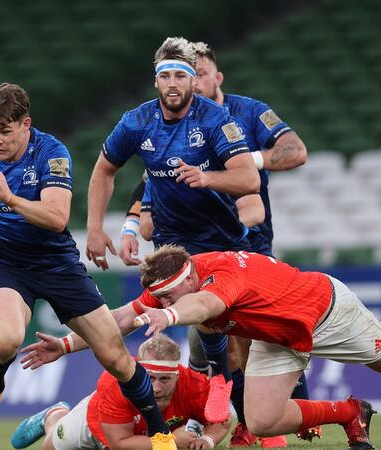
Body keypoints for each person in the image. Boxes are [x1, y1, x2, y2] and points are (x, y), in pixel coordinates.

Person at [0, 82, 178, 450]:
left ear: (26, 124)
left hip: (58, 265)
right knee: (6, 338)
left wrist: (8, 197)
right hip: (9, 265)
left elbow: (57, 217)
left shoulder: (51, 153)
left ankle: (159, 432)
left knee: (116, 358)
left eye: (5, 131)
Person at [117, 41, 311, 447]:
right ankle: (233, 420)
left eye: (196, 74)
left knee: (270, 335)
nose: (187, 82)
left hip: (249, 245)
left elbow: (294, 153)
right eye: (173, 75)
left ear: (214, 77)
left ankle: (295, 415)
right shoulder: (168, 126)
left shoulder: (245, 113)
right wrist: (133, 226)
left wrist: (239, 162)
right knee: (209, 339)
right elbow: (152, 179)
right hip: (200, 250)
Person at [85, 35, 259, 433]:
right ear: (157, 82)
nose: (174, 83)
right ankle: (222, 388)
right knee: (206, 321)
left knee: (243, 334)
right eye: (167, 76)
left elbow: (249, 178)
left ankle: (244, 409)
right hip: (174, 246)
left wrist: (207, 178)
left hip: (225, 241)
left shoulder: (216, 120)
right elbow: (103, 170)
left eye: (182, 75)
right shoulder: (136, 121)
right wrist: (96, 228)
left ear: (193, 82)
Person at [132, 244, 381, 449]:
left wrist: (170, 315)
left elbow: (203, 306)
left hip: (322, 311)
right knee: (262, 420)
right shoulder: (172, 283)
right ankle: (350, 413)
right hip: (277, 334)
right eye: (159, 301)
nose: (159, 304)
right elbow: (124, 316)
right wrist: (79, 336)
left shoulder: (218, 276)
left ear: (186, 281)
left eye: (166, 300)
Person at [11, 334, 230, 450]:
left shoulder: (194, 384)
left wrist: (209, 440)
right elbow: (120, 443)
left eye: (165, 379)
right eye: (149, 379)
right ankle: (53, 416)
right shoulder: (115, 384)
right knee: (50, 447)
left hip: (148, 438)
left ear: (177, 375)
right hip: (96, 425)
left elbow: (222, 420)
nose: (156, 388)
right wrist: (173, 440)